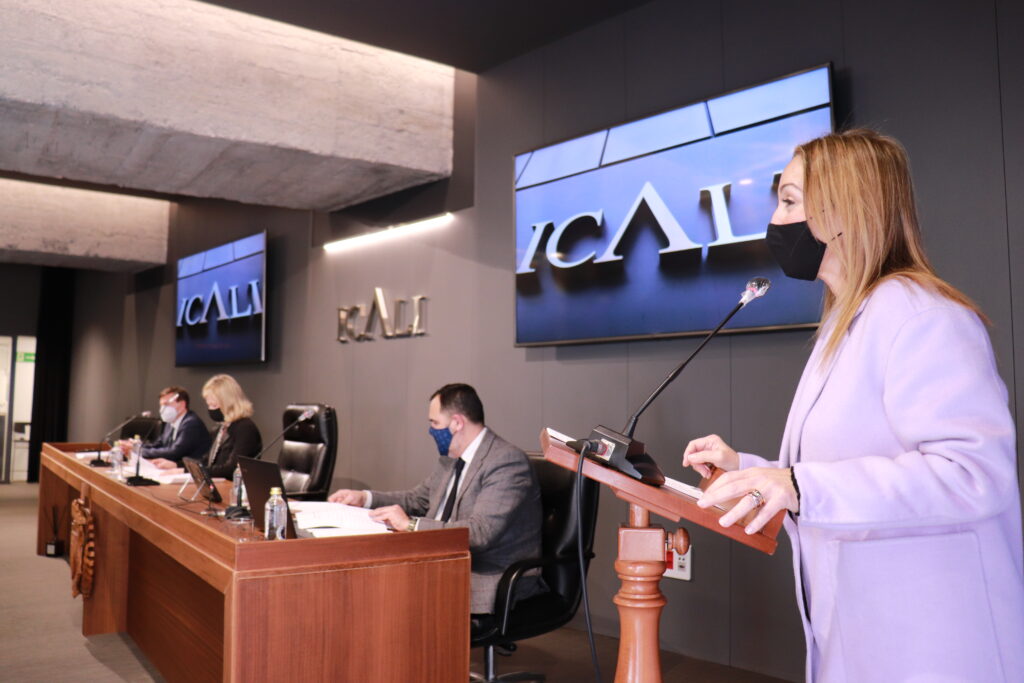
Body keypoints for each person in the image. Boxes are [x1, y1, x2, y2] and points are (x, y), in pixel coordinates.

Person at [682, 129, 1024, 682]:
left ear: (845, 210)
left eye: (789, 200)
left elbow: (973, 473)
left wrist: (798, 486)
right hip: (862, 632)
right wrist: (749, 471)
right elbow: (830, 474)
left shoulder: (925, 318)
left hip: (934, 643)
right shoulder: (845, 325)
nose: (775, 219)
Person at [329, 383, 544, 618]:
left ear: (457, 423)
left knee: (387, 595)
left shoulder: (506, 462)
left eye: (435, 423)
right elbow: (418, 499)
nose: (431, 430)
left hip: (486, 574)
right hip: (441, 562)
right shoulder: (452, 456)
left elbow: (480, 533)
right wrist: (365, 498)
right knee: (366, 579)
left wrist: (411, 525)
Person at [129, 386, 211, 468]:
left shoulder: (191, 423)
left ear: (182, 404)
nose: (162, 409)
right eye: (161, 405)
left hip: (190, 471)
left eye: (166, 404)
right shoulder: (170, 422)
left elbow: (174, 452)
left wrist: (139, 451)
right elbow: (159, 444)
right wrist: (136, 447)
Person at [201, 374, 262, 479]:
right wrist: (184, 468)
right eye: (209, 405)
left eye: (214, 405)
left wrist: (201, 471)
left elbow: (232, 469)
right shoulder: (221, 427)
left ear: (228, 403)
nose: (211, 409)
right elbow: (208, 461)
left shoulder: (245, 428)